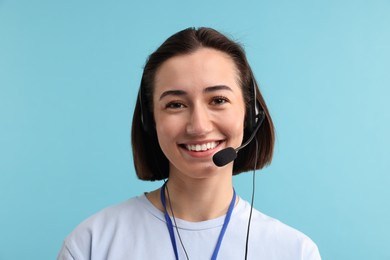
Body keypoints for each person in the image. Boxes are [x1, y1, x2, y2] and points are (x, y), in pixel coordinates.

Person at [57, 27, 321, 260]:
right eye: (176, 104)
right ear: (150, 121)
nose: (199, 126)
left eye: (218, 100)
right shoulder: (91, 245)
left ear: (250, 115)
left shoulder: (294, 251)